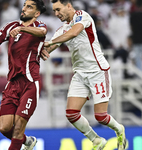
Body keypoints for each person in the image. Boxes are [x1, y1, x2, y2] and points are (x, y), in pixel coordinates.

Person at [41, 0, 127, 150]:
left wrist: (50, 43)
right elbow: (50, 47)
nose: (56, 14)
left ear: (68, 5)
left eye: (58, 9)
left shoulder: (82, 16)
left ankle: (119, 129)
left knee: (100, 117)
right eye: (54, 11)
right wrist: (37, 51)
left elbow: (74, 32)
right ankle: (96, 140)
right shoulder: (62, 29)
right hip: (80, 74)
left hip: (97, 71)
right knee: (71, 114)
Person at [0, 0, 47, 150]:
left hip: (30, 83)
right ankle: (28, 142)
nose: (24, 9)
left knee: (19, 125)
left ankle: (21, 141)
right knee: (5, 128)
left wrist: (22, 29)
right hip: (12, 84)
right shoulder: (10, 27)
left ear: (37, 13)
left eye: (29, 7)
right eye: (24, 5)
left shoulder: (39, 26)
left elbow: (42, 33)